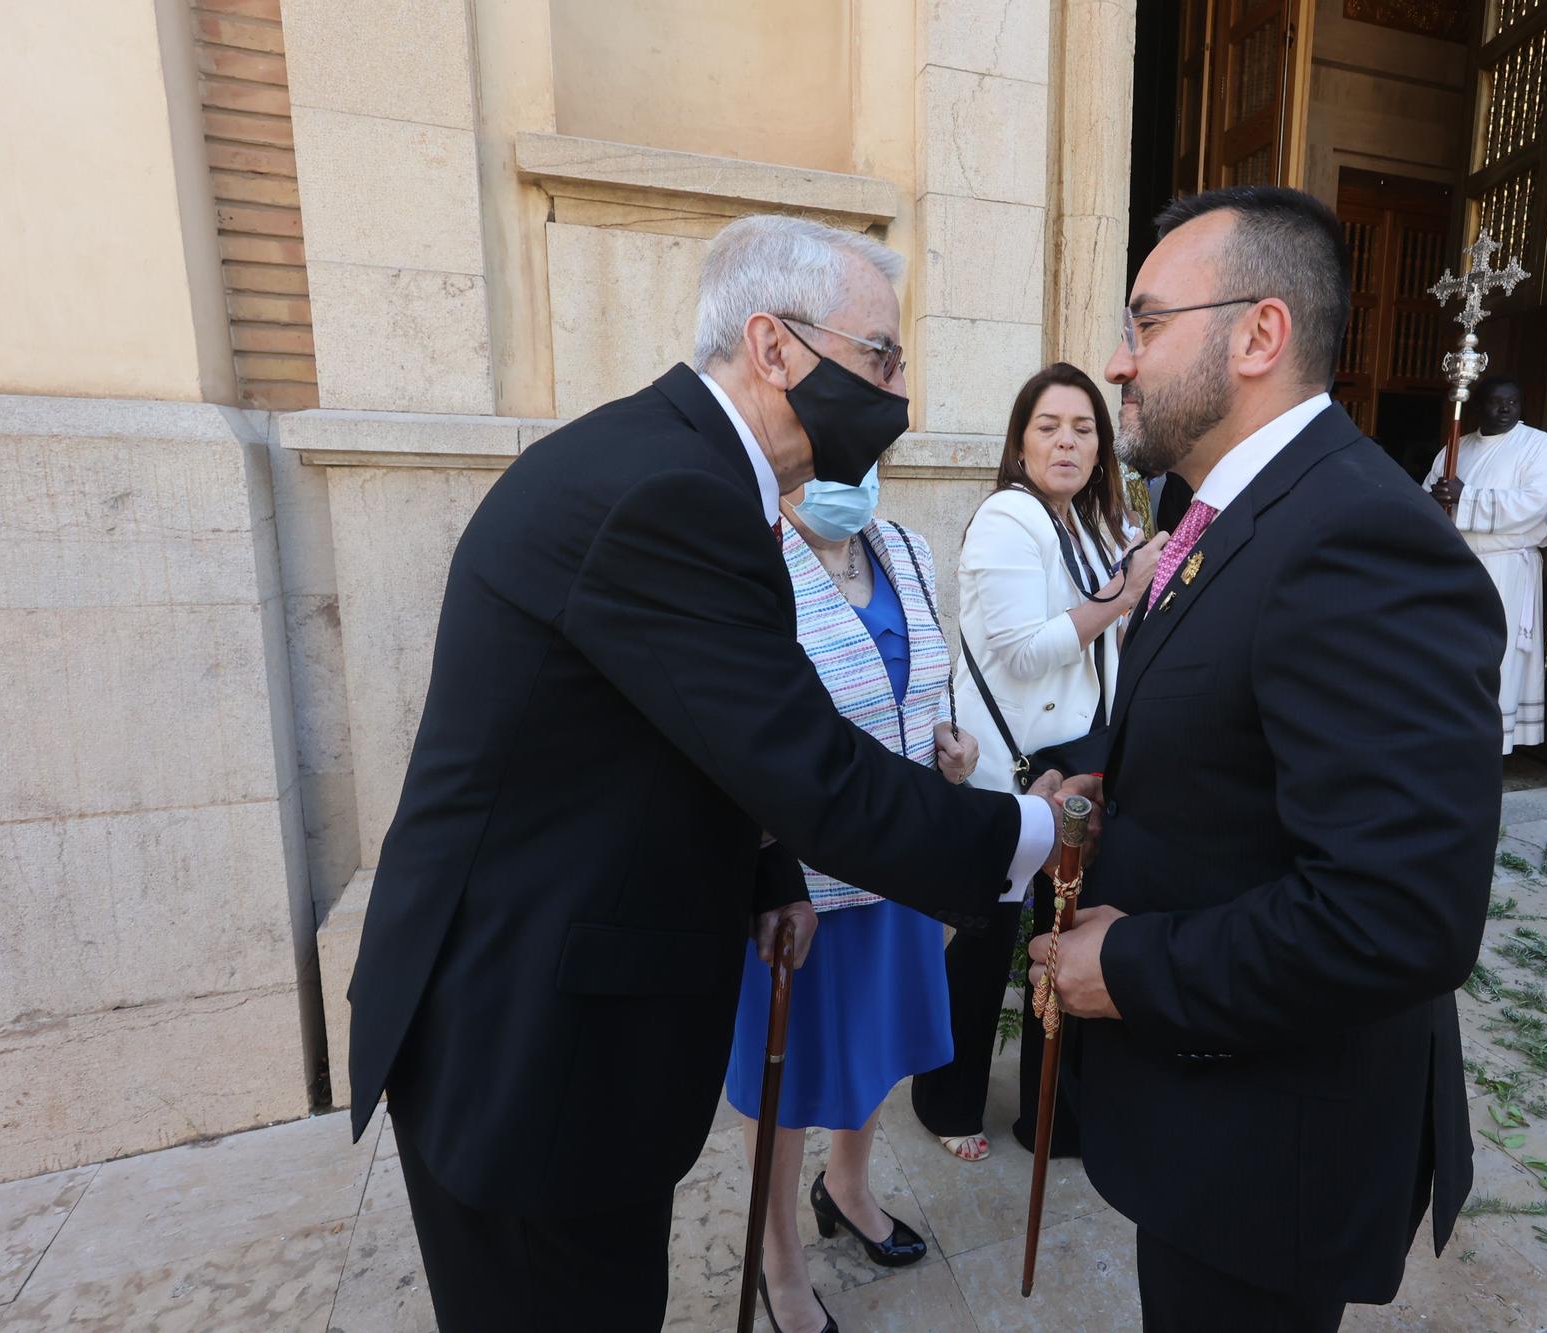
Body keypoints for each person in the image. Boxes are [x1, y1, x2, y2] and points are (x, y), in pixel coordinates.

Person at [343, 213, 1070, 1331]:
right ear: (774, 347)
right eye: (879, 358)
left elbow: (688, 730)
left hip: (548, 1008)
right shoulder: (669, 491)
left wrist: (766, 870)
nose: (896, 389)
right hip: (529, 1046)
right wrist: (1025, 833)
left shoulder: (680, 466)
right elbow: (815, 769)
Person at [1026, 186, 1504, 1332]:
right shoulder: (1241, 508)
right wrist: (1111, 778)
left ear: (1258, 334)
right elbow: (1239, 717)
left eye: (1144, 322)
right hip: (1212, 1120)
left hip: (1271, 1141)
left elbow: (1397, 913)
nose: (1117, 362)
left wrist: (1128, 969)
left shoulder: (1355, 535)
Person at [725, 467, 973, 1333]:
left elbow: (919, 676)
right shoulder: (752, 559)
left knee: (875, 1046)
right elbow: (737, 727)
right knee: (783, 1078)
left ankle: (850, 1186)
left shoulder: (902, 545)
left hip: (899, 857)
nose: (849, 469)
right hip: (800, 883)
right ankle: (779, 1258)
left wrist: (945, 741)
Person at [910, 363, 1166, 1164]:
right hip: (1008, 770)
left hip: (1079, 756)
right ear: (1020, 443)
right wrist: (1126, 594)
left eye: (1083, 428)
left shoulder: (1092, 526)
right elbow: (1024, 654)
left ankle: (1052, 1113)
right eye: (1049, 426)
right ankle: (946, 1098)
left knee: (1064, 937)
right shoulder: (1004, 520)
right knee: (985, 946)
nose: (1067, 441)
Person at [1425, 377, 1547, 753]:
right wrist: (1439, 500)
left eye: (1513, 403)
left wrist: (1465, 497)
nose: (1505, 410)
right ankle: (1450, 739)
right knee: (1452, 654)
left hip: (1507, 568)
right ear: (1478, 406)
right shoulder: (1456, 448)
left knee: (1497, 658)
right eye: (1496, 403)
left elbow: (1532, 503)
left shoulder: (1537, 446)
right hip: (1459, 566)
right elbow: (1426, 500)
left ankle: (1490, 746)